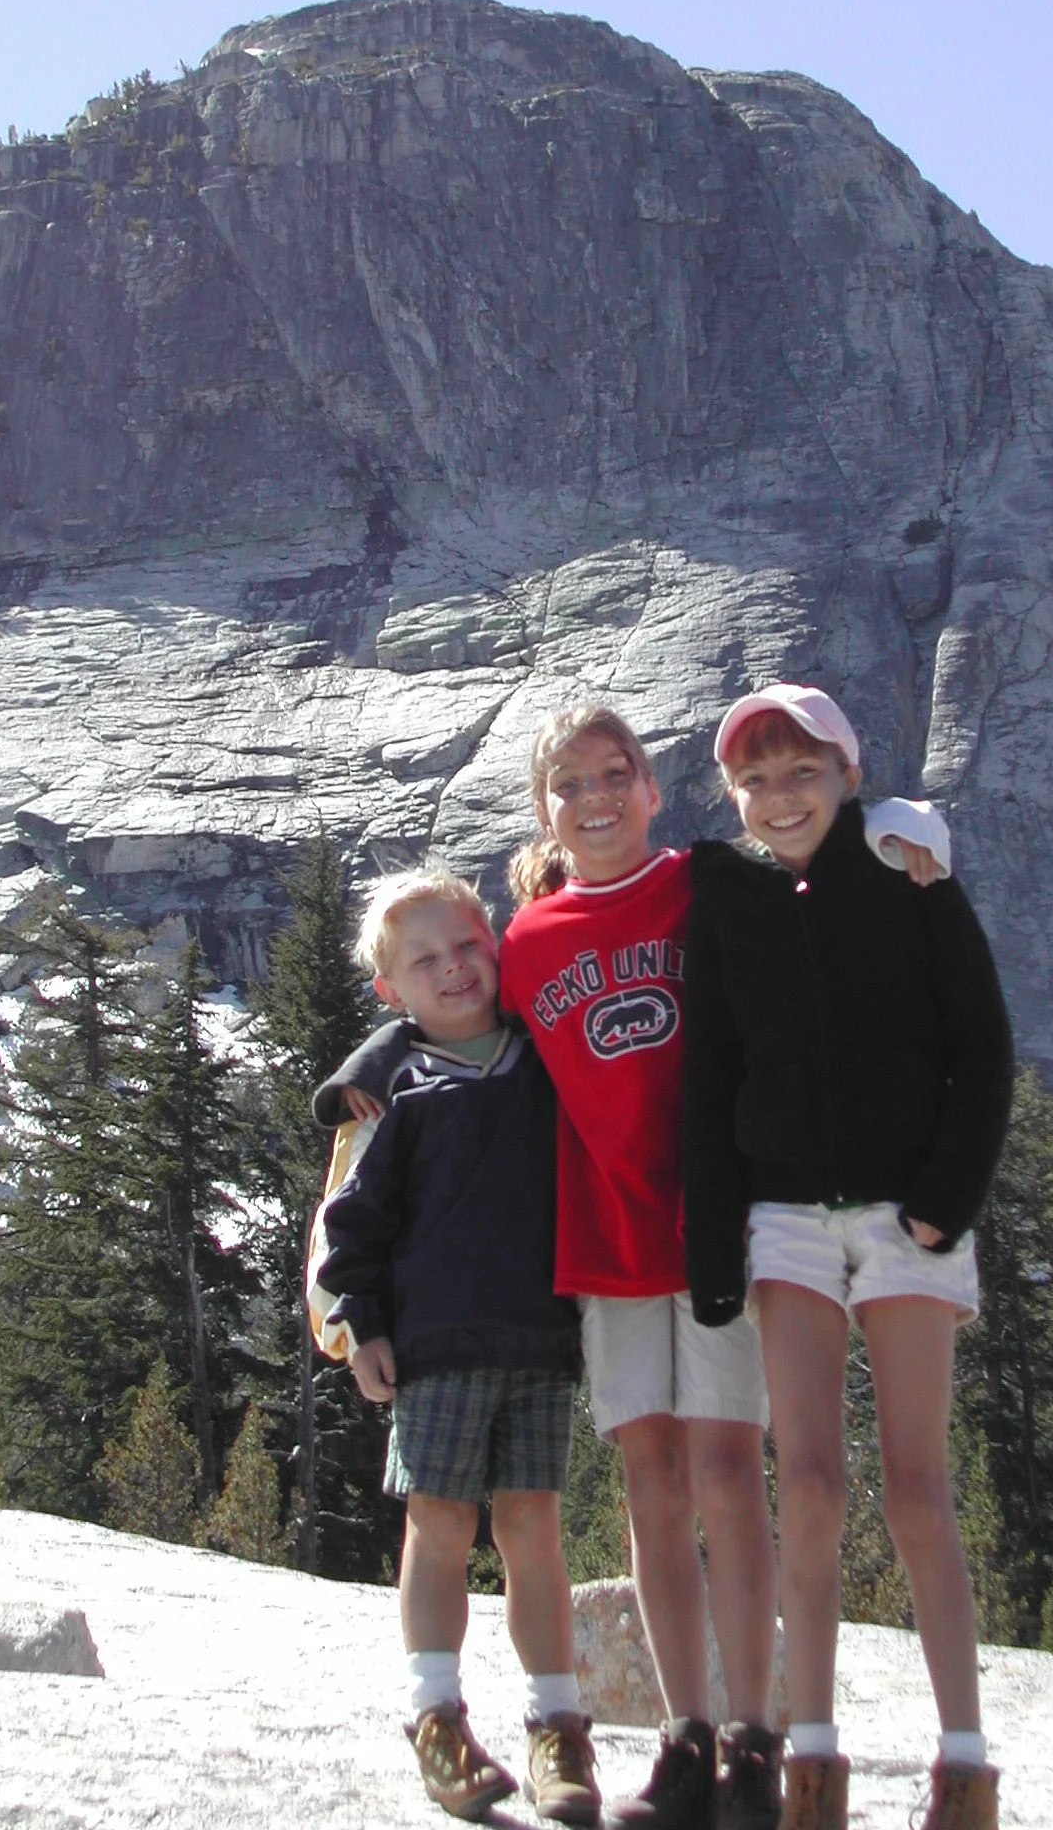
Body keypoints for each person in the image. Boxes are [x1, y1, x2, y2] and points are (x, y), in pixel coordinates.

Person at [498, 705, 948, 1830]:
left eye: (618, 772)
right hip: (605, 1242)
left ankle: (755, 1732)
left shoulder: (710, 885)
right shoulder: (525, 941)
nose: (597, 796)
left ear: (654, 789)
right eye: (571, 783)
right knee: (650, 1482)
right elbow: (447, 1020)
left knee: (728, 1474)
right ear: (545, 810)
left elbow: (816, 849)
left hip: (722, 1228)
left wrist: (903, 818)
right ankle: (685, 1736)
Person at [682, 684, 1014, 1830]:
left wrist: (945, 1199)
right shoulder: (725, 903)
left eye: (803, 772)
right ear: (734, 794)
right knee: (809, 1484)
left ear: (849, 775)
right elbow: (709, 1075)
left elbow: (982, 1043)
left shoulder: (913, 879)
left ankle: (963, 1765)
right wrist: (713, 1244)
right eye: (757, 779)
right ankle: (809, 1763)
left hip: (906, 1214)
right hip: (783, 1218)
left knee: (919, 1488)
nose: (780, 797)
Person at [313, 866, 600, 1825]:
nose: (454, 970)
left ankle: (556, 1725)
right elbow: (356, 1225)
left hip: (538, 1335)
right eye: (424, 961)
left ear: (496, 943)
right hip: (434, 1346)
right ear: (389, 992)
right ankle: (435, 1715)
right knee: (437, 1527)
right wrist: (361, 1327)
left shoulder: (540, 1055)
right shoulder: (394, 1088)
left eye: (468, 945)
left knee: (533, 1533)